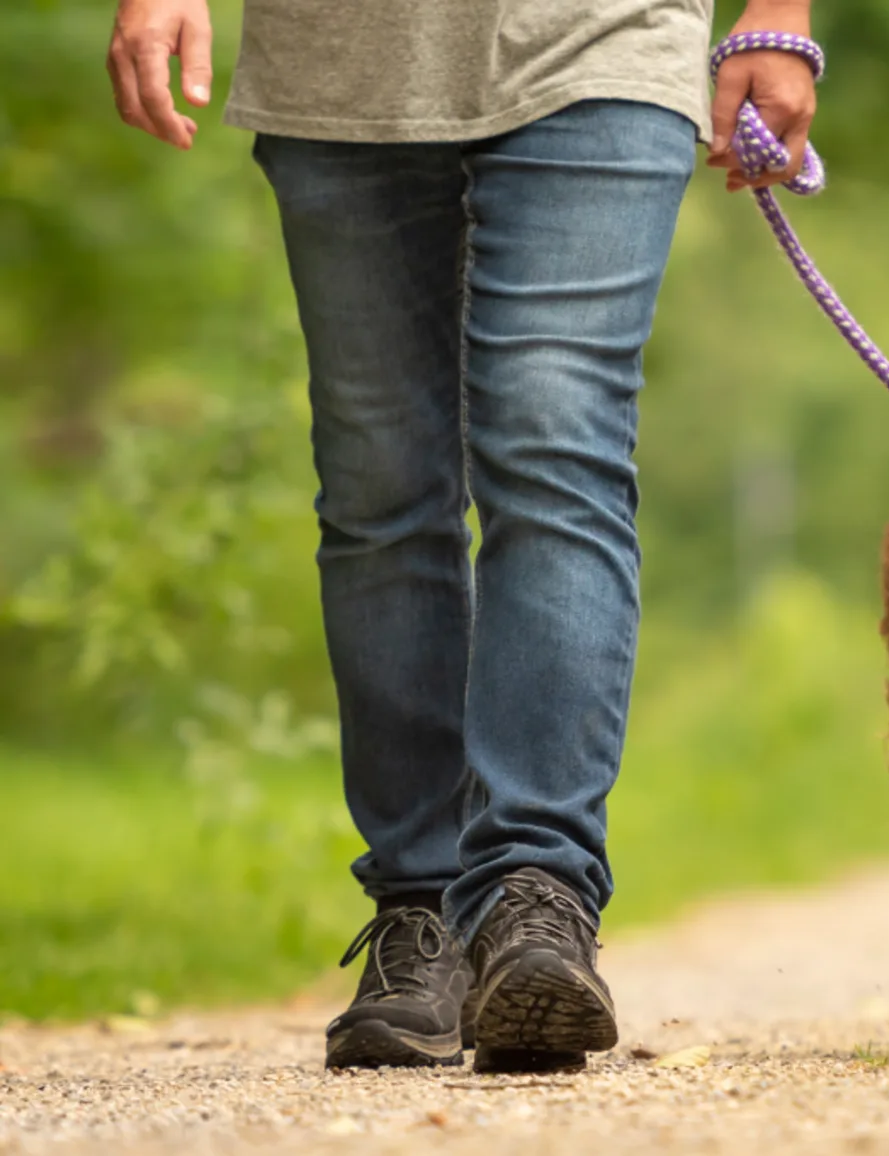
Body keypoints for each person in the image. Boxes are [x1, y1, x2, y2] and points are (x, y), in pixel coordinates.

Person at [103, 0, 817, 1073]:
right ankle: (420, 907)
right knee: (379, 485)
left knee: (554, 441)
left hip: (603, 41)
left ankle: (538, 893)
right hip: (340, 64)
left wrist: (777, 17)